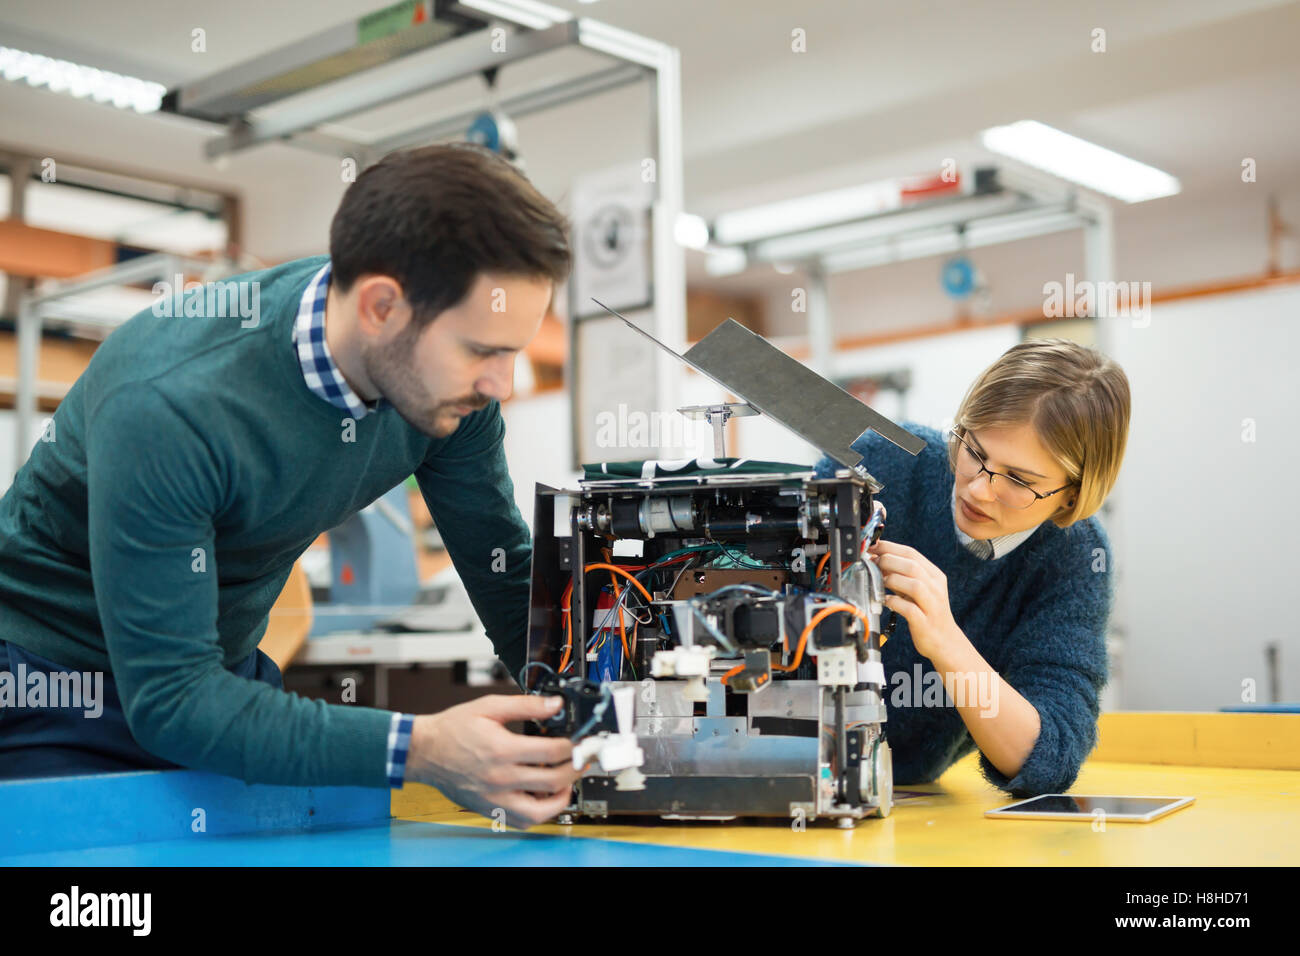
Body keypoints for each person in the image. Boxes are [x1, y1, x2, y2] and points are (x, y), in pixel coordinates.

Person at [0, 144, 579, 829]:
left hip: (216, 680)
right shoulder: (169, 401)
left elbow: (507, 581)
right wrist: (419, 748)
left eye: (513, 350)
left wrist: (592, 714)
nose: (502, 385)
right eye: (483, 350)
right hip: (55, 684)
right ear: (381, 307)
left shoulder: (455, 401)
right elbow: (172, 703)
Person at [815, 338, 1130, 795]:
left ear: (1073, 493)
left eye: (1020, 480)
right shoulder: (882, 463)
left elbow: (1050, 755)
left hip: (904, 799)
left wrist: (946, 641)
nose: (979, 490)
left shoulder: (1074, 557)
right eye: (975, 451)